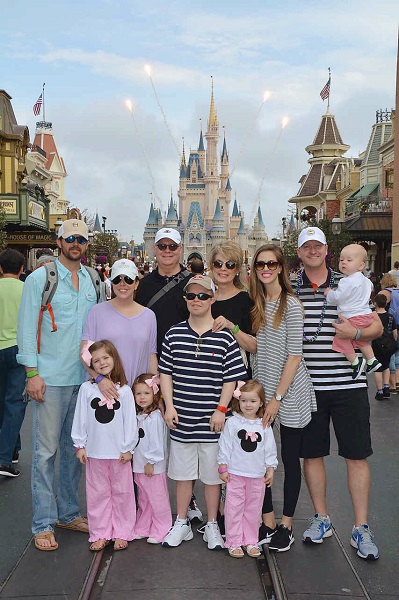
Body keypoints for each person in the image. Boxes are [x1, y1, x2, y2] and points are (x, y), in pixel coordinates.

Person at [295, 226, 382, 561]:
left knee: (356, 455)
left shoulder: (348, 278)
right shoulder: (291, 286)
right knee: (312, 454)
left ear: (326, 249)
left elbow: (374, 325)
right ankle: (321, 518)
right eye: (307, 247)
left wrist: (355, 331)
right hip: (309, 387)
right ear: (300, 251)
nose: (313, 251)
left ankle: (361, 527)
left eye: (318, 246)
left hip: (348, 385)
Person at [17, 218, 102, 551]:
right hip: (49, 380)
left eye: (81, 239)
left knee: (73, 450)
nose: (76, 244)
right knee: (44, 453)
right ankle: (42, 523)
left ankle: (68, 512)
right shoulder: (40, 279)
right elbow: (26, 327)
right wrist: (31, 374)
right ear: (59, 241)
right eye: (70, 239)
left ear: (86, 244)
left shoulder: (94, 280)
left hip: (83, 381)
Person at [159, 274, 248, 550]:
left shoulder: (224, 338)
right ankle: (182, 521)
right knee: (183, 475)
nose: (196, 301)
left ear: (212, 299)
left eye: (202, 296)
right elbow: (166, 374)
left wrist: (222, 409)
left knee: (212, 476)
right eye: (191, 296)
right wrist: (169, 406)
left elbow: (230, 378)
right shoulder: (174, 334)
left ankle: (211, 523)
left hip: (213, 421)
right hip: (183, 419)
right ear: (185, 299)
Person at [249, 244, 316, 553]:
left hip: (287, 393)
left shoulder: (292, 305)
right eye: (261, 263)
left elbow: (293, 357)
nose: (266, 268)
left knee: (289, 459)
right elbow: (258, 347)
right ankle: (269, 521)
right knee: (260, 458)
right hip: (263, 392)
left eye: (272, 263)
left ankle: (287, 525)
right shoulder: (258, 304)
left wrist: (276, 398)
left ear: (280, 268)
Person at [72, 340, 137, 552]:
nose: (101, 363)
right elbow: (80, 417)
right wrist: (79, 444)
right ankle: (100, 532)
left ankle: (122, 531)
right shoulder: (86, 389)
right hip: (95, 452)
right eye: (96, 360)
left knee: (122, 493)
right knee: (97, 493)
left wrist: (128, 448)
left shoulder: (125, 391)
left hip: (119, 453)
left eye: (105, 358)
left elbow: (130, 422)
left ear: (114, 358)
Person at [217, 379, 278, 558]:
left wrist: (270, 468)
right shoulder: (233, 423)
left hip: (257, 476)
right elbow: (225, 445)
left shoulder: (263, 424)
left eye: (252, 401)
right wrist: (223, 466)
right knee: (234, 508)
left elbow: (270, 448)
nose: (248, 405)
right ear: (238, 401)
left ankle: (251, 540)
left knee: (253, 509)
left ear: (260, 402)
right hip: (235, 474)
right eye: (244, 400)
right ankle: (234, 540)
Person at [82, 259, 157, 391]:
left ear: (136, 283)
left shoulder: (149, 316)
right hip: (104, 392)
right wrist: (99, 379)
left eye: (128, 279)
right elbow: (85, 353)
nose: (122, 284)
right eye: (117, 279)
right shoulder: (96, 311)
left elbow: (151, 357)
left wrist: (154, 392)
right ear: (111, 282)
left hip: (136, 395)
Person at [324, 244, 380, 380]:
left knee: (340, 340)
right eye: (341, 260)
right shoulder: (367, 281)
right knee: (361, 341)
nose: (343, 262)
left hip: (352, 316)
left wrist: (329, 293)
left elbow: (338, 298)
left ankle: (355, 361)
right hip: (365, 315)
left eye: (349, 260)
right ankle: (372, 360)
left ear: (360, 266)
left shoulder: (346, 281)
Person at [135, 227, 192, 356]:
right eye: (162, 246)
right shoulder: (143, 285)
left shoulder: (194, 284)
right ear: (155, 249)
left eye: (172, 246)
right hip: (151, 360)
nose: (167, 250)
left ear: (180, 249)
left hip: (186, 360)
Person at [132, 373, 172, 544]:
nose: (142, 397)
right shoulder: (139, 415)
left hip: (152, 466)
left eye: (146, 393)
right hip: (140, 464)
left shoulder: (155, 417)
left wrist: (151, 462)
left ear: (154, 394)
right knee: (144, 498)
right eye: (138, 393)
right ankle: (143, 526)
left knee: (157, 498)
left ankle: (162, 527)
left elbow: (157, 442)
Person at [210, 241, 256, 373]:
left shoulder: (246, 301)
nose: (223, 269)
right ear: (212, 267)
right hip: (208, 376)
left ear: (236, 270)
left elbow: (254, 347)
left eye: (229, 265)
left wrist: (232, 327)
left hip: (236, 377)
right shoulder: (204, 300)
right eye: (218, 264)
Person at [0, 249, 26, 477]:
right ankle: (4, 457)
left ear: (0, 268)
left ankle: (11, 449)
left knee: (2, 401)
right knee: (15, 402)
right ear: (21, 269)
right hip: (18, 349)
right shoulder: (26, 289)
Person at [371, 294, 397, 400]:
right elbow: (394, 333)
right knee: (386, 366)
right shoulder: (390, 316)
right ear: (386, 303)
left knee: (377, 368)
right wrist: (393, 341)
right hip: (389, 345)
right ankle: (387, 386)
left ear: (375, 303)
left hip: (377, 344)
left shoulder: (373, 316)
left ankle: (379, 391)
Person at [378, 273, 399, 393]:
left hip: (390, 327)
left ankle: (391, 384)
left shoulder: (385, 293)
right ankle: (397, 382)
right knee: (397, 356)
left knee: (389, 355)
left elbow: (378, 307)